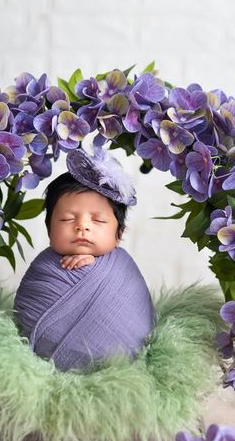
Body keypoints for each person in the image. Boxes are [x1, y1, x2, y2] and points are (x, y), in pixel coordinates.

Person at [14, 147, 155, 371]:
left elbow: (140, 314)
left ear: (119, 234)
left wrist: (95, 268)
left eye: (98, 220)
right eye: (67, 219)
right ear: (49, 229)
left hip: (122, 367)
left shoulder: (123, 267)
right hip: (47, 365)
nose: (82, 226)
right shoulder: (42, 267)